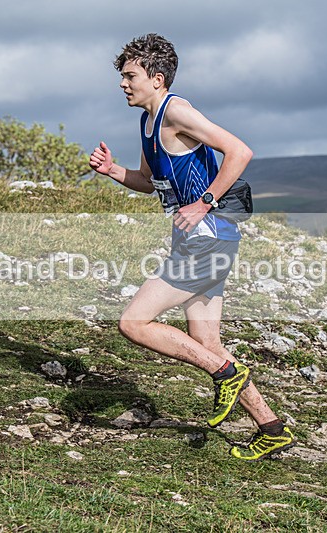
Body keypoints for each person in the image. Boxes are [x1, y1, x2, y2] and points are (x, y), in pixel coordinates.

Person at [89, 33, 294, 460]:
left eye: (130, 76)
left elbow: (239, 151)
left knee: (134, 322)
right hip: (195, 240)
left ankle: (224, 374)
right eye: (121, 77)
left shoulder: (175, 110)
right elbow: (149, 183)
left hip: (210, 238)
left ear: (157, 77)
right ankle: (271, 427)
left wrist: (204, 203)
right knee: (206, 340)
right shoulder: (147, 122)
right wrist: (112, 171)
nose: (123, 84)